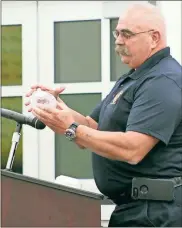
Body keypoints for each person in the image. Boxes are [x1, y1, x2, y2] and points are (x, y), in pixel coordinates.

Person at [25, 2, 182, 227]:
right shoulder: (134, 78)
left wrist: (71, 129)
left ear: (154, 38)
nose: (118, 40)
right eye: (117, 32)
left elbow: (134, 149)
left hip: (156, 213)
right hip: (135, 210)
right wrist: (57, 109)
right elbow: (92, 126)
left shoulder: (163, 81)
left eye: (127, 34)